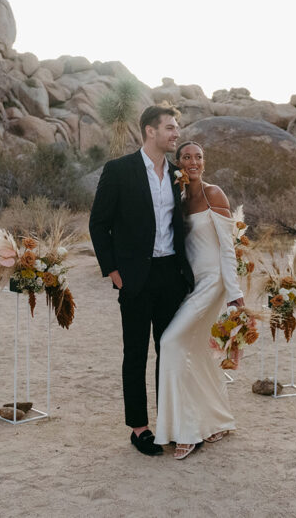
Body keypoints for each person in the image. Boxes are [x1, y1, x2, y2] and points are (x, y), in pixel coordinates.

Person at [88, 105, 195, 457]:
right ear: (150, 131)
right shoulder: (120, 171)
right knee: (135, 353)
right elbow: (98, 224)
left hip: (171, 276)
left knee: (170, 351)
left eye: (176, 127)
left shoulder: (179, 174)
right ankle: (140, 428)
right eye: (170, 128)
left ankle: (167, 422)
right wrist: (113, 272)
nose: (175, 134)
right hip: (134, 277)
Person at [154, 140, 245, 459]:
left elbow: (227, 247)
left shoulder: (213, 193)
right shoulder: (178, 200)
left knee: (171, 341)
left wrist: (235, 294)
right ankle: (218, 419)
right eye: (186, 157)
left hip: (215, 282)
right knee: (196, 350)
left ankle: (189, 431)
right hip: (192, 285)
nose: (193, 161)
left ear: (204, 162)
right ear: (178, 163)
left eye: (199, 157)